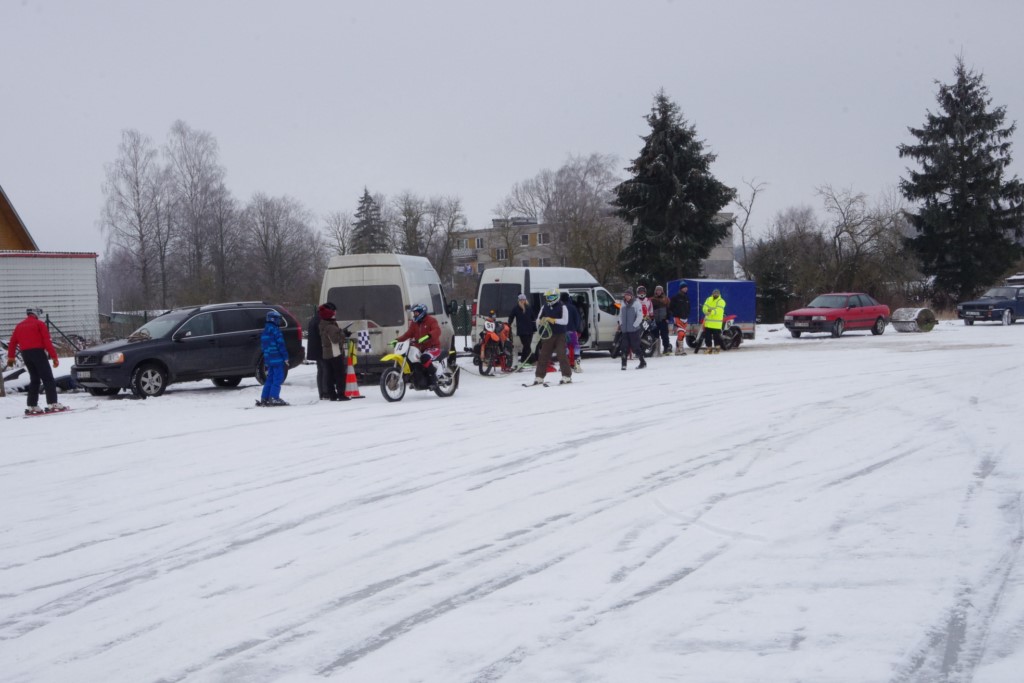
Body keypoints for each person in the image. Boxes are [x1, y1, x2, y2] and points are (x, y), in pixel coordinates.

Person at [5, 308, 65, 414]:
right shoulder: (39, 324)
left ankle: (32, 405)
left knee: (35, 379)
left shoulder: (19, 326)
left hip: (25, 354)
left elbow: (13, 342)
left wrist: (11, 357)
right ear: (36, 313)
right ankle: (52, 403)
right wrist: (54, 357)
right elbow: (46, 341)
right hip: (38, 352)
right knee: (48, 378)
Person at [527, 289, 572, 385]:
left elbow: (565, 321)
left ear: (556, 297)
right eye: (548, 297)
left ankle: (566, 376)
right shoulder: (544, 306)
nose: (549, 299)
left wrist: (554, 320)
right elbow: (538, 319)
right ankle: (539, 376)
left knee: (561, 355)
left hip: (560, 335)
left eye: (551, 297)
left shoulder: (562, 307)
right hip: (548, 335)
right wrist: (540, 322)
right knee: (543, 355)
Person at [397, 303, 443, 386]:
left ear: (422, 312)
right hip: (420, 349)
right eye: (414, 313)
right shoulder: (414, 323)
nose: (414, 315)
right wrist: (397, 340)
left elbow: (437, 330)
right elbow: (408, 334)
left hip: (433, 347)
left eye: (416, 313)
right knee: (411, 358)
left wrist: (428, 336)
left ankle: (433, 378)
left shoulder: (431, 320)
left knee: (424, 358)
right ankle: (416, 379)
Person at [317, 304, 350, 401]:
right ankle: (341, 394)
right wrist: (343, 334)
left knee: (329, 375)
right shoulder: (331, 327)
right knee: (339, 374)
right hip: (335, 353)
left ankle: (332, 394)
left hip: (326, 354)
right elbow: (335, 340)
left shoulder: (322, 325)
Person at [258, 310, 289, 406]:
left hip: (268, 359)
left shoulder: (265, 331)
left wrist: (267, 358)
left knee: (270, 378)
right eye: (278, 319)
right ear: (273, 319)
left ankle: (265, 397)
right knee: (278, 378)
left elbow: (263, 347)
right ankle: (274, 397)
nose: (279, 321)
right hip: (277, 358)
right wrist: (285, 357)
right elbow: (281, 345)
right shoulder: (276, 330)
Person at [307, 301, 336, 399]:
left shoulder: (315, 318)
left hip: (315, 349)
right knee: (326, 370)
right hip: (321, 349)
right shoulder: (321, 320)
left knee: (321, 371)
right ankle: (325, 392)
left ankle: (322, 392)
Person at [617, 288, 646, 370]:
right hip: (625, 330)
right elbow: (620, 315)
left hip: (634, 330)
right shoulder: (622, 304)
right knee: (624, 348)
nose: (627, 297)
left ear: (631, 296)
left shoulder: (636, 303)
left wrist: (634, 325)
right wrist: (621, 324)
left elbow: (640, 316)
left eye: (628, 295)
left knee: (635, 348)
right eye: (626, 295)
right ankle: (623, 364)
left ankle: (642, 362)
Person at [507, 293, 536, 366]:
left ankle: (524, 361)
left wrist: (534, 328)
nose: (522, 301)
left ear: (525, 300)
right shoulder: (516, 308)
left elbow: (533, 318)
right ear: (519, 300)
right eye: (521, 300)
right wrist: (508, 324)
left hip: (530, 330)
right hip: (522, 331)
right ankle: (532, 360)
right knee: (527, 346)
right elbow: (511, 317)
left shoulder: (529, 308)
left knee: (527, 346)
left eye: (524, 299)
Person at [560, 291, 582, 372]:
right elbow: (577, 319)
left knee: (565, 348)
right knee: (576, 347)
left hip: (562, 332)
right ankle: (577, 365)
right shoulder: (573, 307)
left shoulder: (560, 308)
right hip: (572, 331)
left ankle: (565, 365)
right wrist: (575, 328)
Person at [701, 288, 727, 354]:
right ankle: (709, 348)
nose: (715, 294)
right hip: (708, 323)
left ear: (719, 294)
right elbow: (704, 307)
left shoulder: (721, 301)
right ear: (712, 293)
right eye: (714, 293)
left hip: (716, 324)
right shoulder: (708, 299)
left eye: (717, 293)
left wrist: (710, 311)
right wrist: (706, 311)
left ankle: (717, 349)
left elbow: (719, 311)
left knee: (716, 337)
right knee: (707, 337)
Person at [650, 285, 672, 355]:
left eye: (660, 290)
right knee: (654, 336)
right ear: (655, 291)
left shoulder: (666, 299)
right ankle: (655, 350)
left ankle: (666, 348)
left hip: (663, 320)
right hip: (654, 320)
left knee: (665, 335)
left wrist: (668, 318)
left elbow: (669, 310)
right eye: (657, 290)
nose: (658, 292)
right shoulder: (652, 300)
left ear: (662, 291)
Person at [670, 284, 691, 356]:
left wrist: (687, 314)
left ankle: (678, 349)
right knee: (681, 333)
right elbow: (671, 307)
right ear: (681, 288)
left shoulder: (687, 297)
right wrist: (675, 314)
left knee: (683, 334)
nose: (685, 289)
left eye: (686, 287)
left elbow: (688, 307)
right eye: (684, 287)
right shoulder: (676, 297)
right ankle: (681, 349)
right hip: (678, 317)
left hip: (685, 318)